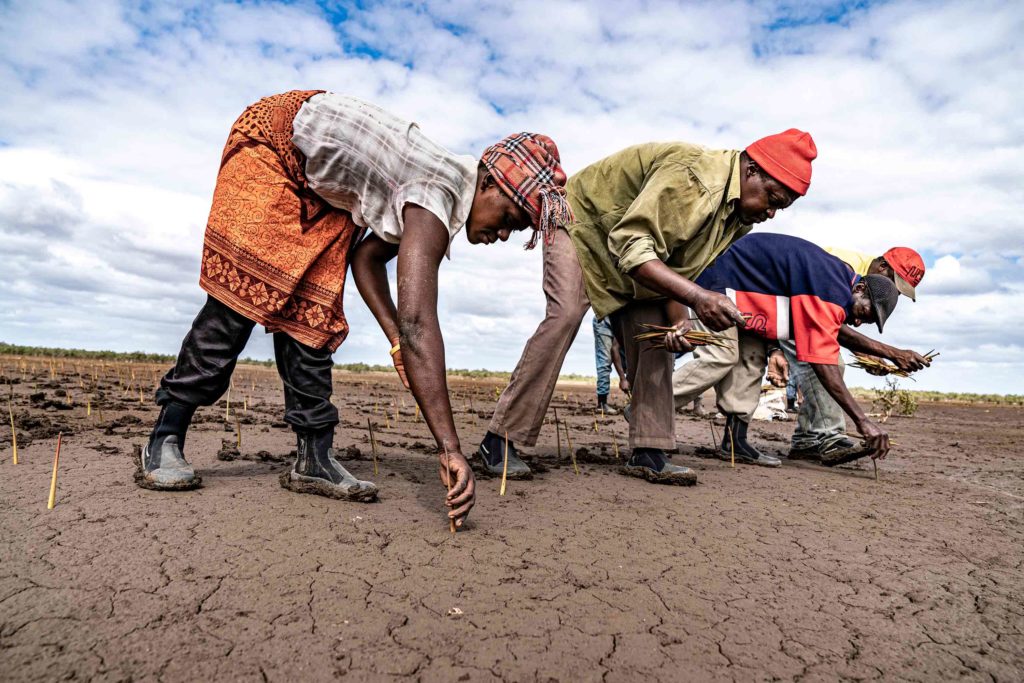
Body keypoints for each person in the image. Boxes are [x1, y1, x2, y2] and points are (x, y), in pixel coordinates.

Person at [139, 90, 569, 530]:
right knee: (241, 299)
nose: (504, 234)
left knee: (314, 315)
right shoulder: (435, 192)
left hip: (324, 192)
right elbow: (419, 324)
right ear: (489, 183)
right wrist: (450, 448)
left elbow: (366, 261)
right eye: (512, 219)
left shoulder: (439, 195)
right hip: (272, 145)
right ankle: (165, 436)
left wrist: (396, 342)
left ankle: (314, 458)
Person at [477, 129, 817, 484]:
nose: (773, 212)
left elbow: (674, 263)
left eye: (782, 206)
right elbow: (631, 243)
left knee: (656, 335)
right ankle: (499, 441)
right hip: (582, 228)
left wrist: (682, 320)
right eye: (773, 198)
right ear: (751, 172)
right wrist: (698, 298)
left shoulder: (736, 217)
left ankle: (648, 451)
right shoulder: (696, 179)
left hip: (632, 256)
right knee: (564, 315)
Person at [669, 233, 931, 467]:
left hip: (758, 305)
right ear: (871, 277)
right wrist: (862, 421)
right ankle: (650, 408)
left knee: (750, 360)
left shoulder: (847, 286)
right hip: (723, 286)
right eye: (864, 313)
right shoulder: (832, 280)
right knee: (722, 356)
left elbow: (834, 327)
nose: (859, 322)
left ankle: (736, 442)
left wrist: (892, 353)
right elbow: (823, 357)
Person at [783, 247, 925, 460]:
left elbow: (834, 326)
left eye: (899, 291)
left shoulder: (867, 283)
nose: (893, 292)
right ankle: (829, 437)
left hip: (801, 314)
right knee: (829, 364)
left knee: (823, 367)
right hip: (786, 308)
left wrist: (870, 355)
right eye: (895, 284)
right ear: (883, 266)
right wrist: (889, 353)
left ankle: (807, 440)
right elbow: (826, 324)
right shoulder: (843, 266)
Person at [593, 316, 628, 415]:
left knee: (629, 359)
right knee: (605, 360)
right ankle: (602, 403)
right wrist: (623, 379)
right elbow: (615, 348)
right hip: (604, 320)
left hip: (619, 320)